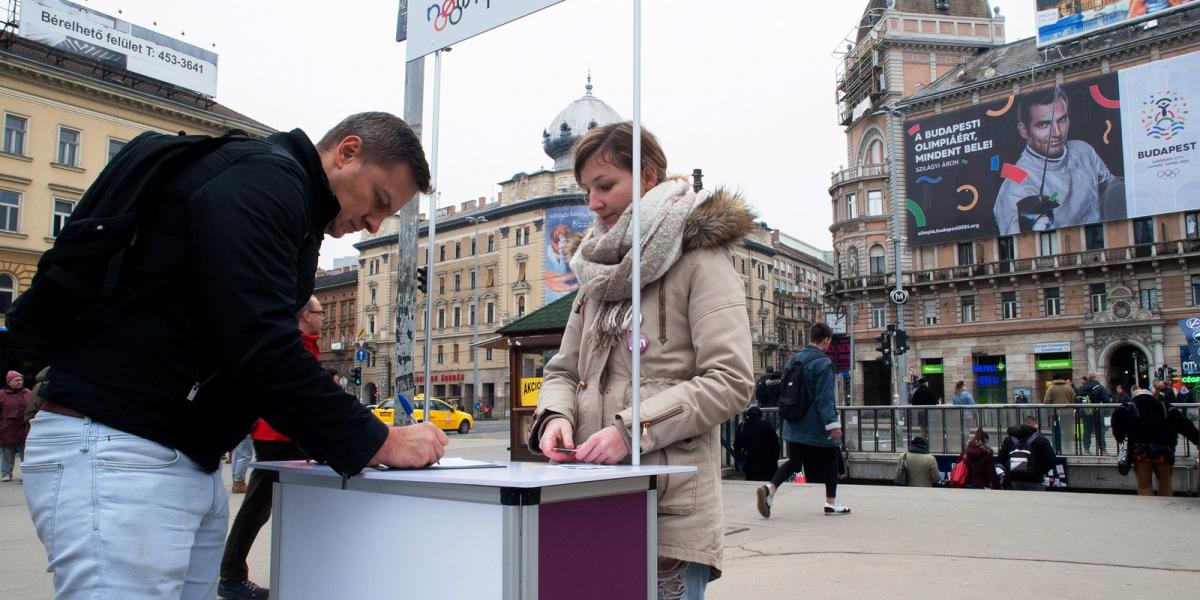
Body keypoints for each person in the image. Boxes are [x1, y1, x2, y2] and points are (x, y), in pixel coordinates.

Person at [22, 112, 450, 599]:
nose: (373, 222)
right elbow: (262, 345)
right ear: (346, 152)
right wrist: (380, 440)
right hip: (123, 447)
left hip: (171, 454)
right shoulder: (267, 182)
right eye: (377, 200)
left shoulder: (289, 201)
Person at [529, 121, 755, 598]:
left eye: (605, 185)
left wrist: (632, 429)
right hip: (592, 496)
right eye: (587, 189)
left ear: (649, 177)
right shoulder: (595, 273)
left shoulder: (701, 258)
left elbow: (731, 380)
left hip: (668, 510)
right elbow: (563, 370)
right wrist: (554, 416)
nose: (592, 203)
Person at [218, 296, 326, 600]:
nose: (323, 318)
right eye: (319, 313)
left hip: (283, 435)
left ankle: (297, 569)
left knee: (275, 507)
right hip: (278, 437)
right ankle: (231, 575)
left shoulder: (304, 341)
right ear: (305, 315)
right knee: (257, 508)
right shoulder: (296, 344)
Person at [993, 86, 1123, 235]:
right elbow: (1026, 248)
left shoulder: (1083, 150)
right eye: (1044, 124)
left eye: (1062, 120)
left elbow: (1111, 187)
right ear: (1024, 130)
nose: (1057, 132)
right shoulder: (1016, 191)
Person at [757, 322, 851, 518]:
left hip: (793, 421)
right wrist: (833, 425)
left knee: (794, 461)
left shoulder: (793, 360)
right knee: (832, 456)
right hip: (815, 424)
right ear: (826, 340)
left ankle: (770, 489)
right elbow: (824, 398)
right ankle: (831, 503)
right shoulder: (823, 363)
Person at [1111, 387, 1200, 496]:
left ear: (1134, 396)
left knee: (1144, 485)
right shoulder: (1166, 407)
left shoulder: (1126, 408)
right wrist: (1197, 440)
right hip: (1164, 451)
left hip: (1141, 452)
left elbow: (1117, 426)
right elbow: (1185, 425)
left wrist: (1121, 438)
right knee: (1165, 483)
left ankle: (1151, 508)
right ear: (1151, 395)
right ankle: (1166, 507)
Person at [999, 416, 1057, 491]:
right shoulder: (1041, 440)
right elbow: (1051, 460)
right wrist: (1040, 471)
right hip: (1035, 479)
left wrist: (1010, 471)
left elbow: (1001, 459)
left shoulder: (1009, 440)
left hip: (1014, 479)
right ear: (1035, 426)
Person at [734, 406, 781, 482]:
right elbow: (776, 444)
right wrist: (775, 459)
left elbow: (737, 445)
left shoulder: (742, 426)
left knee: (752, 484)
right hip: (768, 464)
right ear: (760, 415)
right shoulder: (767, 425)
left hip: (750, 464)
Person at [0, 370, 30, 482]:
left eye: (21, 380)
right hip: (7, 428)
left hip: (24, 428)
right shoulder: (2, 394)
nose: (19, 382)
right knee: (7, 453)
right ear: (9, 382)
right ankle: (6, 474)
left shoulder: (27, 392)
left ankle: (26, 475)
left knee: (26, 453)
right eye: (16, 380)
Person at [1079, 372, 1109, 455]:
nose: (1099, 378)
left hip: (1086, 413)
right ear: (1094, 378)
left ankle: (1086, 449)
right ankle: (1102, 449)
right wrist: (1107, 412)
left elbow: (1077, 399)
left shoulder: (1082, 388)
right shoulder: (1099, 387)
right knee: (1100, 430)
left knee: (1087, 430)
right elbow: (1106, 400)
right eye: (1098, 377)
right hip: (1098, 412)